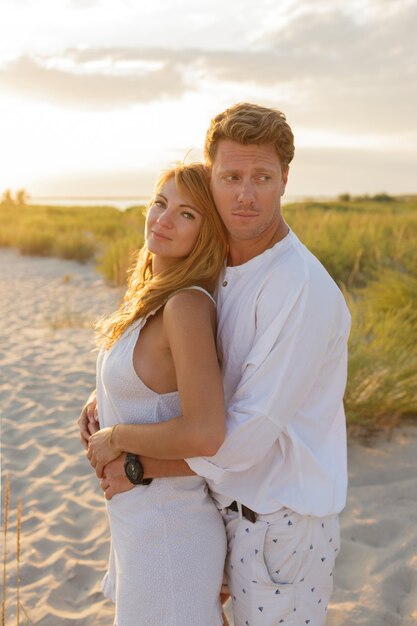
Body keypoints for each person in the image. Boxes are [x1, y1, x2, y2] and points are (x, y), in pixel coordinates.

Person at [81, 103, 351, 626]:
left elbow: (245, 435)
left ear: (285, 179)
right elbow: (198, 370)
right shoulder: (225, 265)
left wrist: (132, 458)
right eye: (230, 177)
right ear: (214, 176)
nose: (245, 195)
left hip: (280, 524)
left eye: (262, 178)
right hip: (225, 510)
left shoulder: (298, 288)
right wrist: (111, 394)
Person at [87, 162, 229, 626]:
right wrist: (100, 399)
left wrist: (118, 436)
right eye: (160, 203)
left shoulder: (186, 304)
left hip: (172, 531)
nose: (163, 219)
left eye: (187, 214)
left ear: (207, 232)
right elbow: (154, 385)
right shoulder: (150, 295)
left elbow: (206, 432)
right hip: (139, 530)